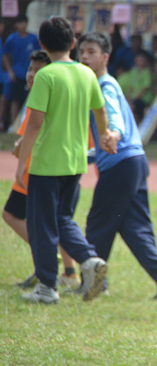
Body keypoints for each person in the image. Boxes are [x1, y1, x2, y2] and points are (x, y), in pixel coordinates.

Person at [15, 16, 117, 304]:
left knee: (42, 224)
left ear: (42, 44)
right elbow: (100, 112)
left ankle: (47, 287)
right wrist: (106, 133)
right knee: (62, 218)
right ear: (73, 43)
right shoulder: (86, 74)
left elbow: (34, 124)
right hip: (76, 162)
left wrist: (22, 164)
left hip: (47, 163)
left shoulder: (46, 75)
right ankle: (88, 261)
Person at [77, 32, 157, 298]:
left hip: (121, 164)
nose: (84, 57)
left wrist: (113, 133)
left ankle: (94, 284)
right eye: (81, 52)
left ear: (105, 57)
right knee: (134, 229)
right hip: (134, 162)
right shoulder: (106, 84)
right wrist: (88, 155)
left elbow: (113, 117)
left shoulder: (104, 85)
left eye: (91, 52)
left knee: (97, 225)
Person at [3, 50, 79, 290]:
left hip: (39, 171)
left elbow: (35, 130)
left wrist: (21, 154)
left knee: (18, 216)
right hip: (53, 168)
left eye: (38, 69)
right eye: (30, 69)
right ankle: (66, 271)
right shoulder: (55, 90)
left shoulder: (46, 92)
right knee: (54, 222)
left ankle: (50, 263)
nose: (32, 74)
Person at [2, 15, 41, 126]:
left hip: (30, 74)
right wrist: (10, 71)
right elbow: (4, 54)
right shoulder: (12, 38)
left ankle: (27, 124)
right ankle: (14, 125)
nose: (22, 26)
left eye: (24, 23)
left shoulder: (33, 38)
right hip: (17, 74)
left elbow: (39, 54)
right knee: (15, 99)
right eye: (20, 23)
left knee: (30, 100)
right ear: (16, 25)